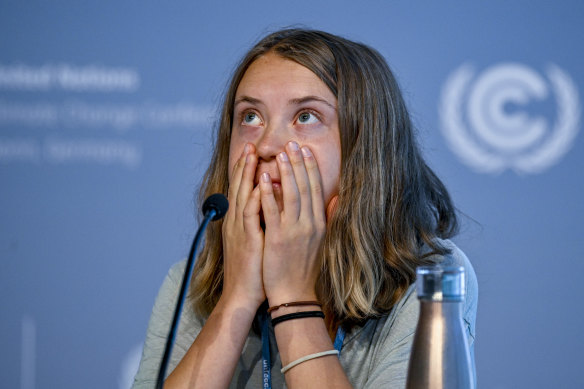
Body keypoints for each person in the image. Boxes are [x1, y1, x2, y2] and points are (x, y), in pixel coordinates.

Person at [132, 28, 478, 389]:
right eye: (250, 117)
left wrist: (292, 298)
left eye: (306, 116)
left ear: (365, 146)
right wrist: (237, 297)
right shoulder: (191, 281)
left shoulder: (433, 277)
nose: (267, 144)